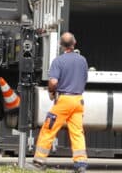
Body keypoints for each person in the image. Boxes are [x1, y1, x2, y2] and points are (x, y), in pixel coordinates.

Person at [32, 32, 88, 172]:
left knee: (48, 128)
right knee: (77, 132)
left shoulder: (58, 61)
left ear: (61, 45)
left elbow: (53, 81)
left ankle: (39, 161)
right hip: (78, 100)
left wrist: (51, 90)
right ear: (74, 43)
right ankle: (80, 164)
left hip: (64, 101)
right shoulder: (82, 60)